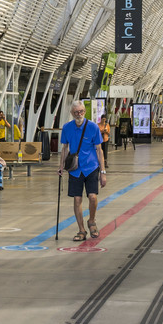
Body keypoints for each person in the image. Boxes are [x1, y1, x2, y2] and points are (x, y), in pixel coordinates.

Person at [59, 102, 107, 240]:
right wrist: (61, 166)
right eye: (75, 112)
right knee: (77, 199)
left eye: (80, 112)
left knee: (92, 197)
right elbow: (64, 148)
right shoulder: (67, 128)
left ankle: (91, 221)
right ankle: (81, 230)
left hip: (91, 167)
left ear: (84, 111)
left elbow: (99, 150)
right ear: (72, 113)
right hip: (75, 169)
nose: (78, 114)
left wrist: (103, 172)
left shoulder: (92, 127)